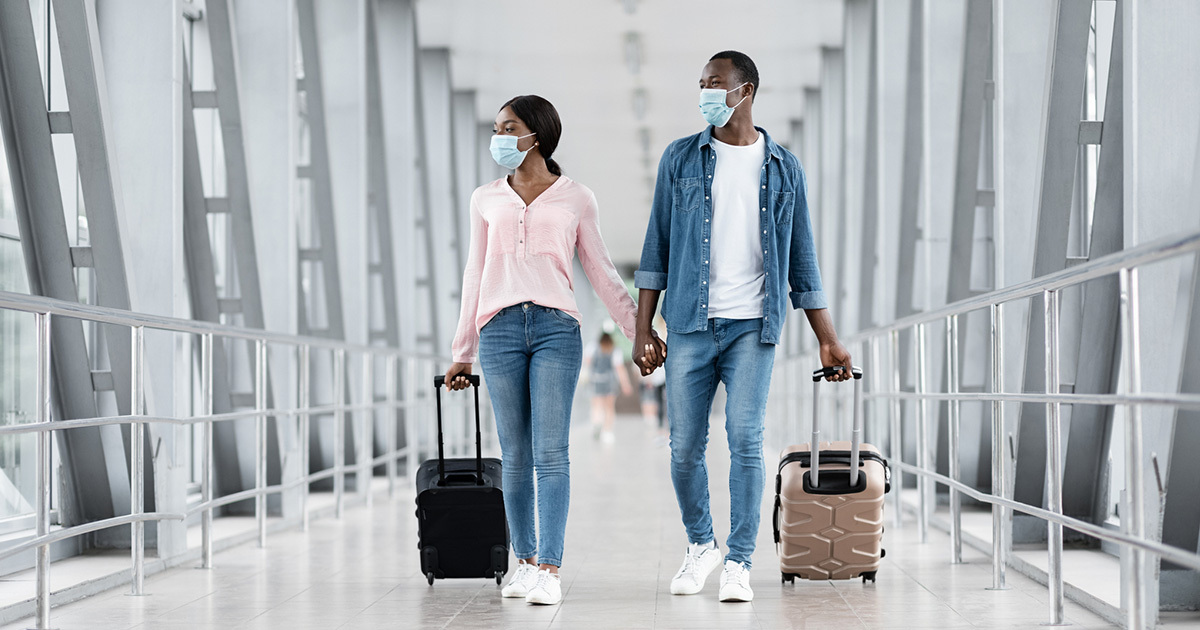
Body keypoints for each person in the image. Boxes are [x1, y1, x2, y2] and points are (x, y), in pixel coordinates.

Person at [633, 51, 852, 603]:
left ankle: (738, 560)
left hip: (754, 326)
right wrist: (642, 329)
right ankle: (701, 542)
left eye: (715, 83)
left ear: (745, 90)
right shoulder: (680, 159)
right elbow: (654, 250)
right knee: (684, 445)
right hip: (688, 323)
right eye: (702, 83)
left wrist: (826, 337)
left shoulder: (784, 167)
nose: (706, 91)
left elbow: (802, 259)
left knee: (746, 438)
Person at [444, 95, 658, 606]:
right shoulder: (485, 198)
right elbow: (475, 272)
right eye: (496, 127)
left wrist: (638, 331)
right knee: (514, 454)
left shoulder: (576, 198)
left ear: (535, 134)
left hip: (556, 329)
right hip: (497, 329)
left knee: (551, 453)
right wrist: (462, 350)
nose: (498, 136)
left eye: (508, 126)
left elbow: (602, 272)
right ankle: (523, 560)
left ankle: (550, 569)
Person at [585, 332, 632, 444]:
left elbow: (587, 363)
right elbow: (619, 369)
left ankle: (596, 424)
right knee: (609, 408)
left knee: (596, 405)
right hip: (610, 381)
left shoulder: (592, 346)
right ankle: (607, 431)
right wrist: (625, 384)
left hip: (596, 379)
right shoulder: (615, 350)